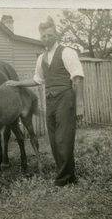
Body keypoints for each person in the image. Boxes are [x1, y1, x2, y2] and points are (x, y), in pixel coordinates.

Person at [5, 17, 84, 187]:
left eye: (49, 35)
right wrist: (17, 83)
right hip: (50, 101)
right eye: (43, 36)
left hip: (65, 97)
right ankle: (69, 176)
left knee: (64, 139)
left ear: (56, 34)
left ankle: (62, 179)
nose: (46, 39)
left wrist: (79, 106)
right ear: (40, 37)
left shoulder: (67, 52)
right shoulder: (41, 58)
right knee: (55, 139)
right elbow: (37, 80)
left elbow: (77, 78)